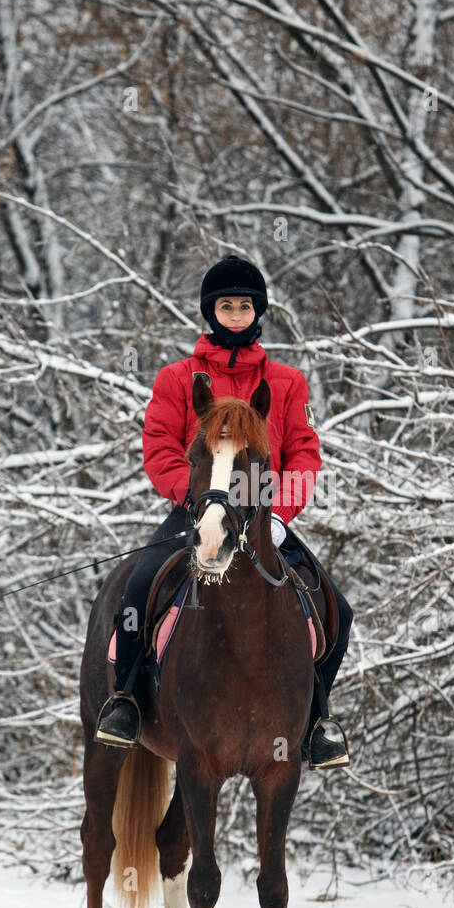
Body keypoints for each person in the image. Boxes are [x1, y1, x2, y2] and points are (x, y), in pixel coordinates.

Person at [94, 254, 353, 769]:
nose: (235, 315)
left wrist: (280, 514)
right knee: (140, 586)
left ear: (258, 312)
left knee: (337, 610)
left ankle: (318, 720)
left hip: (261, 513)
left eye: (244, 306)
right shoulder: (177, 378)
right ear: (211, 313)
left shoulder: (286, 383)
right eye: (226, 306)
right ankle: (124, 700)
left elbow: (303, 451)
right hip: (198, 507)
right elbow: (160, 446)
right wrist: (194, 499)